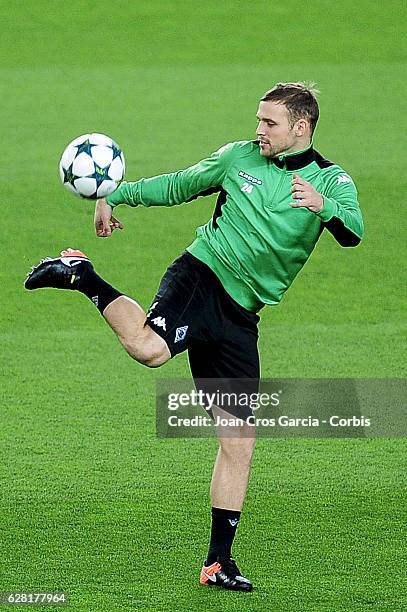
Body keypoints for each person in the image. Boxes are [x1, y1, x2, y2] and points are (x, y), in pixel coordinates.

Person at [25, 82, 364, 592]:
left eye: (270, 123)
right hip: (201, 277)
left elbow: (353, 230)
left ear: (302, 126)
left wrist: (324, 206)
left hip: (241, 316)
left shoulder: (332, 181)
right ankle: (81, 276)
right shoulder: (238, 159)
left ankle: (218, 563)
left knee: (239, 442)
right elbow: (180, 184)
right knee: (150, 350)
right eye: (258, 120)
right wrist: (112, 195)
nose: (259, 130)